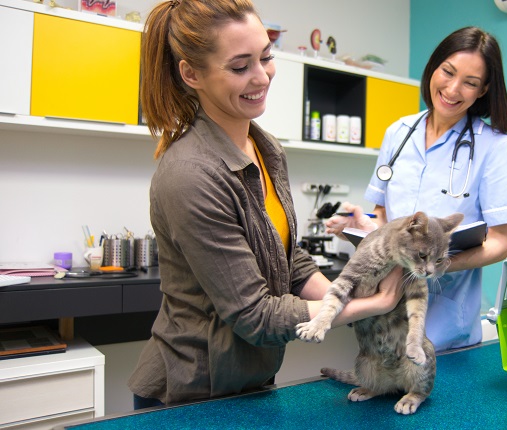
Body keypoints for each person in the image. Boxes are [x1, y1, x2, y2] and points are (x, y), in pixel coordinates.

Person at [128, 0, 403, 409]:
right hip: (192, 395)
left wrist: (341, 297)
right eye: (240, 67)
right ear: (191, 74)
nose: (262, 76)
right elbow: (255, 315)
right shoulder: (190, 174)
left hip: (252, 382)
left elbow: (288, 261)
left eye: (266, 57)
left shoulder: (265, 148)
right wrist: (372, 305)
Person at [327, 27, 507, 352]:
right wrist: (357, 224)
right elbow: (383, 217)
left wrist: (438, 265)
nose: (452, 89)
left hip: (445, 329)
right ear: (433, 67)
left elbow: (502, 242)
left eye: (470, 82)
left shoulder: (494, 147)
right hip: (385, 315)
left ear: (483, 89)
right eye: (447, 72)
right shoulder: (397, 133)